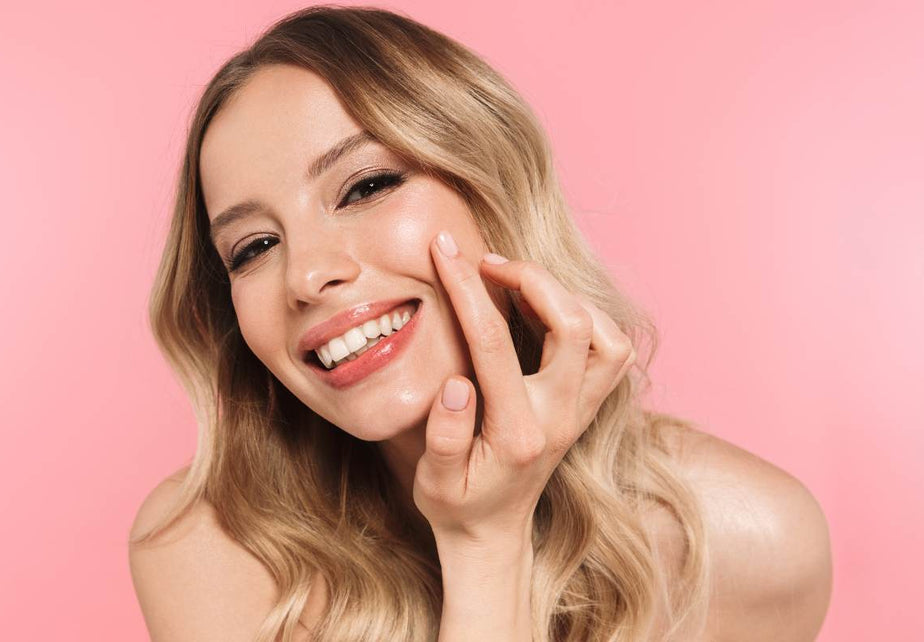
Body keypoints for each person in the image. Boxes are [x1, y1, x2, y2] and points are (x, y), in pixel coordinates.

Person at [128, 6, 832, 641]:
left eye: (366, 187)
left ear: (496, 192)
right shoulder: (205, 546)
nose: (306, 276)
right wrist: (484, 543)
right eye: (253, 247)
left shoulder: (745, 541)